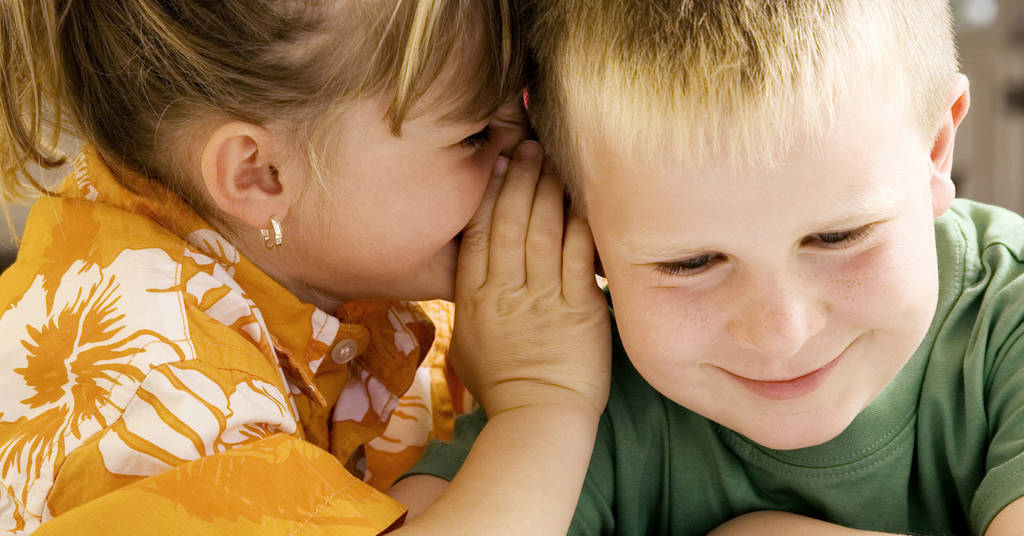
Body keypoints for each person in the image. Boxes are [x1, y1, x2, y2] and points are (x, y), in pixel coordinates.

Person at [399, 1, 1024, 534]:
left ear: (937, 149)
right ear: (572, 220)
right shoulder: (575, 385)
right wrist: (544, 412)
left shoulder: (1007, 318)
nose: (782, 331)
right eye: (689, 263)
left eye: (838, 236)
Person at [0, 1, 612, 534]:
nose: (531, 151)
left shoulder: (312, 260)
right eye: (475, 135)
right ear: (260, 174)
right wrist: (542, 400)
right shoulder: (154, 391)